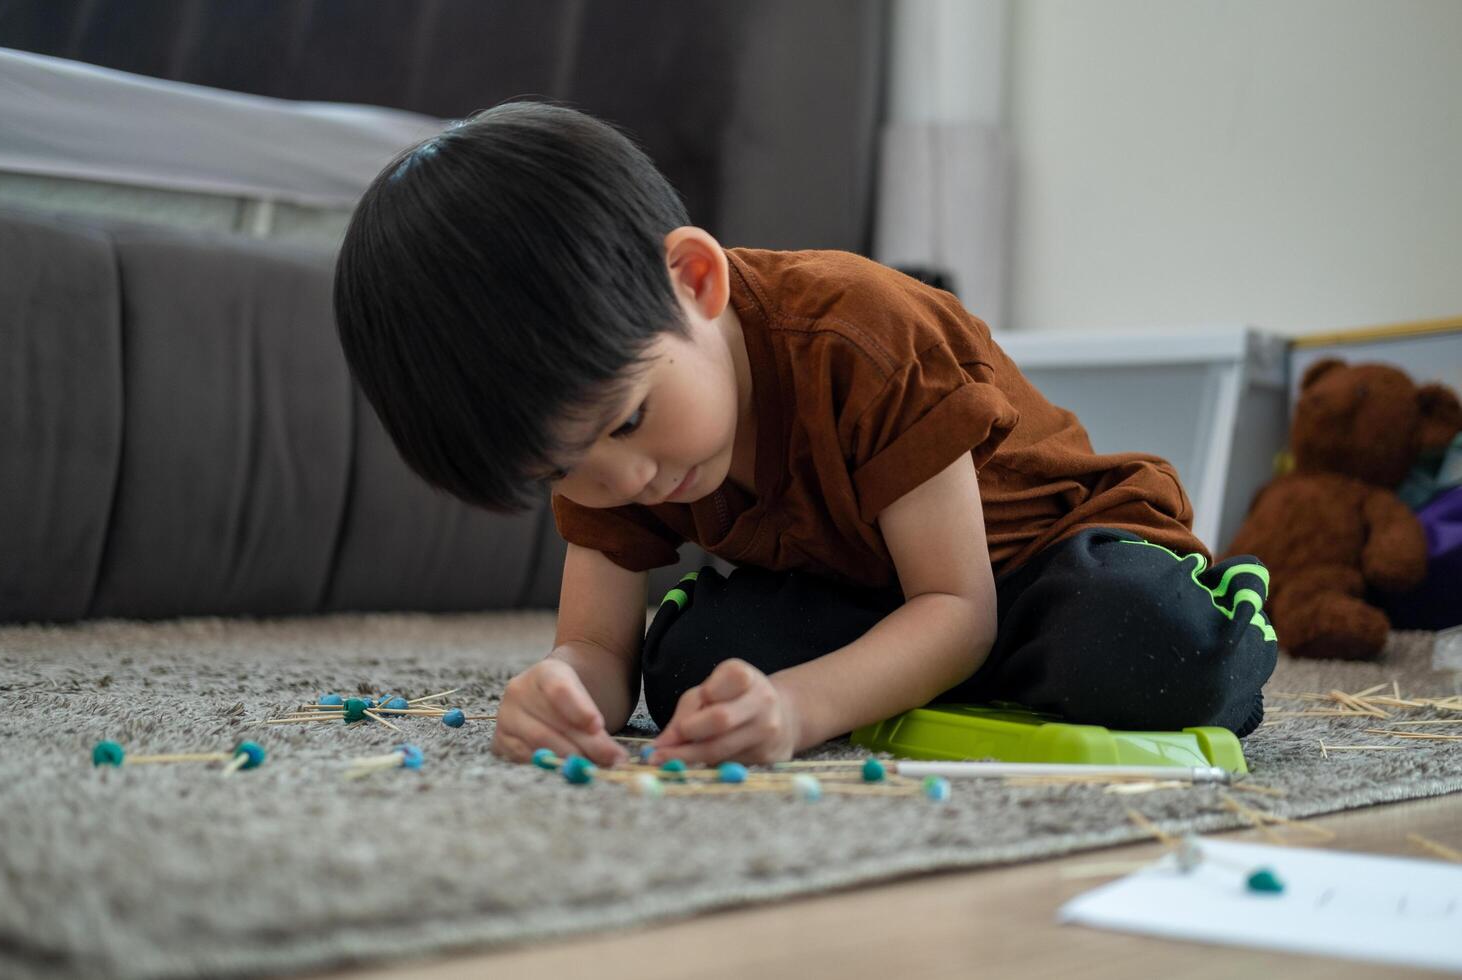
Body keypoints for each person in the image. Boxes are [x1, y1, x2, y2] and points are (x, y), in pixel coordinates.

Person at [333, 100, 1277, 769]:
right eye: (563, 467)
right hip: (860, 591)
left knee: (1151, 647)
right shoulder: (605, 442)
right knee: (687, 667)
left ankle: (1213, 608)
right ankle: (908, 680)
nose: (630, 478)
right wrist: (560, 687)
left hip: (1035, 562)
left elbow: (958, 606)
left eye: (628, 419)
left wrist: (802, 705)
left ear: (695, 281)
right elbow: (599, 646)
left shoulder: (857, 334)